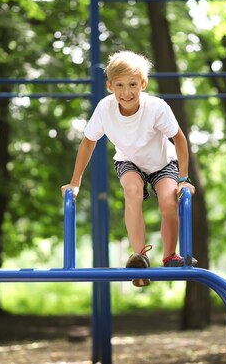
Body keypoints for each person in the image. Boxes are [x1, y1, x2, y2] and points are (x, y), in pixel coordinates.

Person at [60, 51, 196, 287]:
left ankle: (169, 255)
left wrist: (183, 178)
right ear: (109, 85)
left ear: (143, 83)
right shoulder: (105, 109)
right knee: (132, 190)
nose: (126, 92)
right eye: (120, 85)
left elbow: (180, 140)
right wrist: (75, 182)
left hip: (162, 162)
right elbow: (88, 142)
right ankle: (139, 258)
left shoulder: (157, 108)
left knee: (168, 200)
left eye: (133, 84)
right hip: (128, 160)